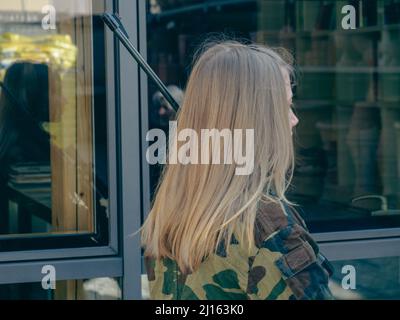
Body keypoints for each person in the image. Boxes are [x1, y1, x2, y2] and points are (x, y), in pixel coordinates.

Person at [141, 41, 334, 300]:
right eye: (284, 106)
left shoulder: (171, 213)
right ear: (258, 119)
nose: (293, 118)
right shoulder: (267, 227)